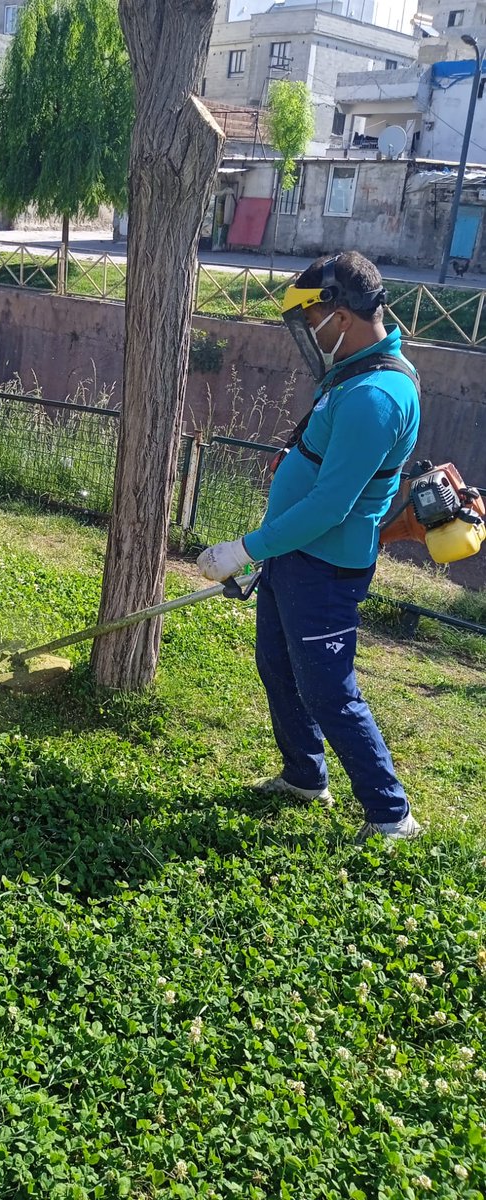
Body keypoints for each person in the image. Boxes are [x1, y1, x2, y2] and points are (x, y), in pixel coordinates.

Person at [197, 252, 421, 842]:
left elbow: (329, 508)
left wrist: (244, 549)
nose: (307, 334)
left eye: (310, 319)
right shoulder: (353, 371)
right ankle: (304, 775)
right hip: (294, 557)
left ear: (340, 316)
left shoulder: (377, 397)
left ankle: (391, 814)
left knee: (328, 688)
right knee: (275, 664)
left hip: (324, 569)